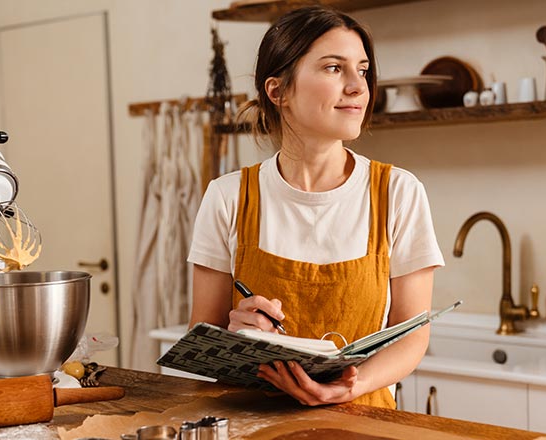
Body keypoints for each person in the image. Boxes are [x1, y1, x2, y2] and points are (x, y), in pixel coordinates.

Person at [188, 5, 444, 409]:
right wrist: (235, 335)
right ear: (278, 92)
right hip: (256, 426)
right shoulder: (228, 196)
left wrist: (352, 386)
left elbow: (412, 335)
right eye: (333, 68)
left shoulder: (398, 192)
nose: (358, 87)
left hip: (365, 423)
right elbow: (203, 334)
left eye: (362, 70)